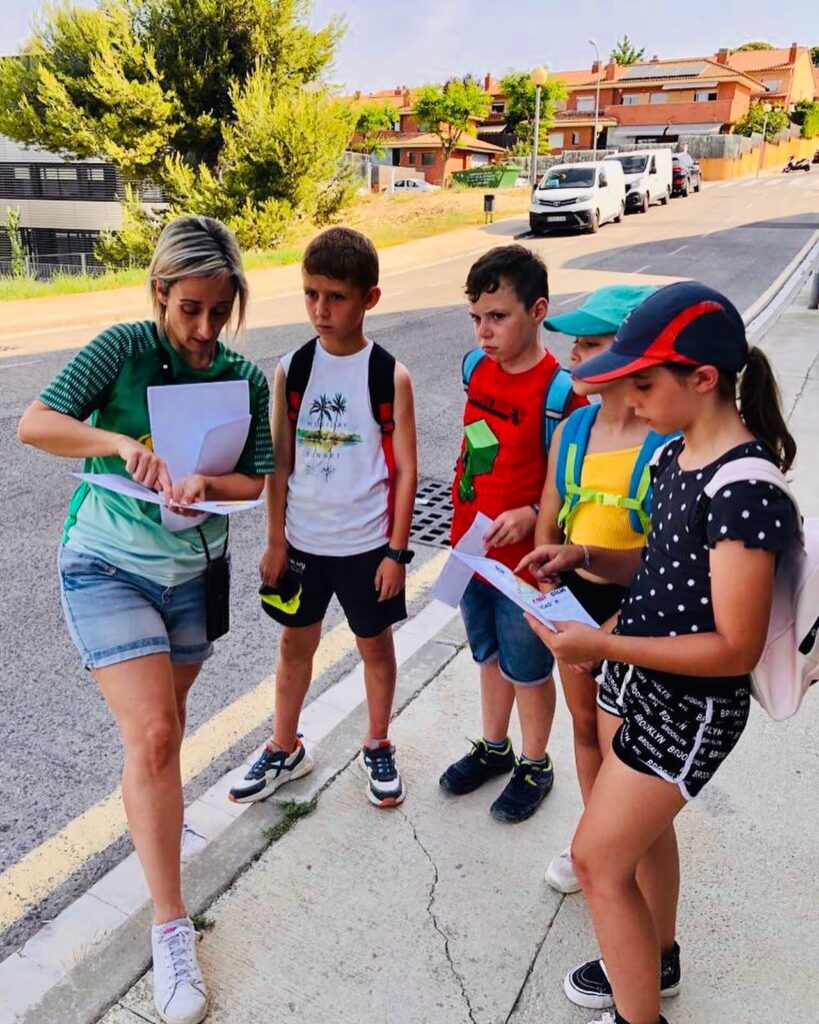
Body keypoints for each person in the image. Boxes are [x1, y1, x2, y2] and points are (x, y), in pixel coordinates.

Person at [17, 215, 274, 1024]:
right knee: (156, 734)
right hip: (105, 562)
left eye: (219, 311)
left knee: (165, 730)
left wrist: (207, 483)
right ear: (160, 292)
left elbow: (255, 480)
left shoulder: (242, 376)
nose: (204, 330)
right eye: (190, 309)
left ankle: (155, 817)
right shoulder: (123, 349)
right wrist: (118, 443)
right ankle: (170, 927)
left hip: (191, 573)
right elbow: (35, 423)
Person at [518, 281, 797, 1024]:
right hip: (636, 678)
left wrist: (602, 642)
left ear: (701, 379)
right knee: (638, 844)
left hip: (688, 706)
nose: (632, 400)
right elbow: (661, 564)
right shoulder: (674, 453)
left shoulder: (744, 492)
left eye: (644, 384)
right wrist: (582, 554)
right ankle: (656, 957)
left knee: (595, 861)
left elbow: (734, 648)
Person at [230, 227, 418, 809]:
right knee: (294, 646)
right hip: (303, 545)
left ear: (370, 298)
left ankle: (378, 742)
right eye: (311, 294)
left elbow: (406, 471)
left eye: (336, 297)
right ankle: (284, 747)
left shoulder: (389, 375)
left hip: (367, 547)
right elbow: (279, 462)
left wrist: (396, 552)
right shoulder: (292, 369)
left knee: (375, 648)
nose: (320, 309)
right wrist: (275, 540)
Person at [439, 245, 587, 823]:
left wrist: (530, 512)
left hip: (526, 565)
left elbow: (573, 483)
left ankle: (534, 762)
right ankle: (494, 746)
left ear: (538, 310)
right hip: (471, 547)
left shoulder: (562, 395)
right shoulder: (475, 370)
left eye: (498, 317)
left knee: (527, 667)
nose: (484, 331)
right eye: (476, 317)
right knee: (488, 655)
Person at [535, 285, 665, 893]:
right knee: (584, 726)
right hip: (575, 601)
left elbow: (670, 564)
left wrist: (609, 632)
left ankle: (625, 843)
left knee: (628, 740)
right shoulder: (574, 427)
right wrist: (543, 577)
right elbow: (550, 516)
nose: (573, 357)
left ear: (634, 353)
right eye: (575, 344)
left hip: (641, 612)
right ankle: (593, 838)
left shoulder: (665, 441)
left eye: (590, 344)